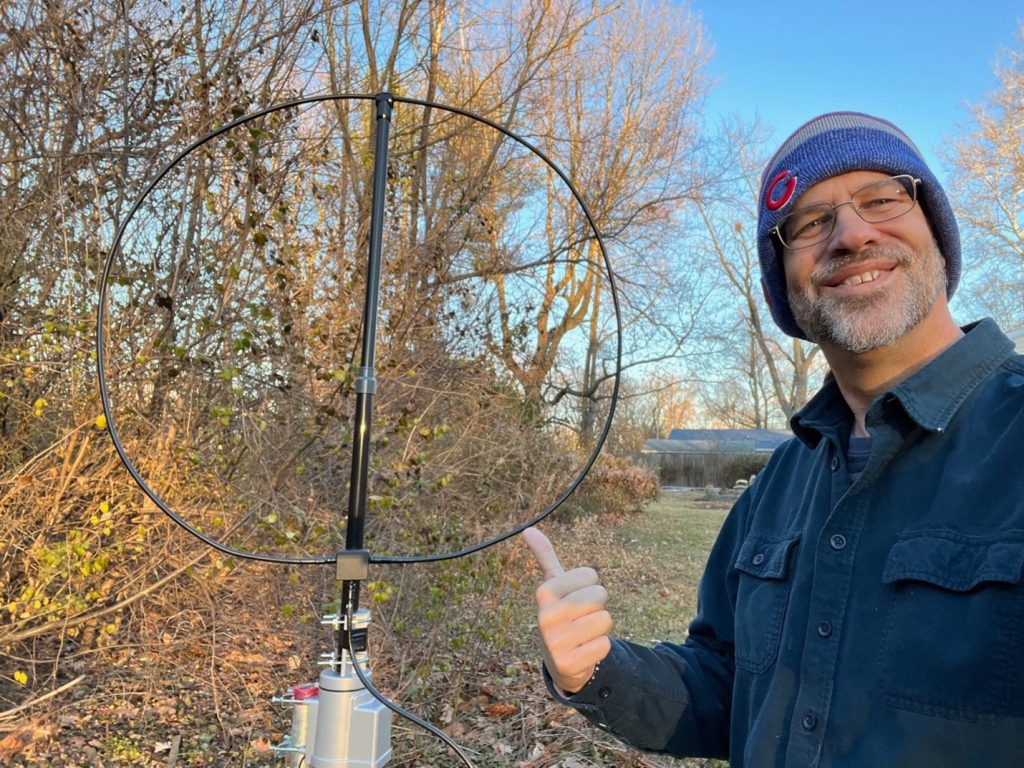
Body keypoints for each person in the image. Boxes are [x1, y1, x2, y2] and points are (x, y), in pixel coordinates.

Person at [522, 111, 1024, 767]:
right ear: (785, 284)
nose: (849, 234)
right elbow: (725, 690)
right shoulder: (778, 486)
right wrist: (595, 670)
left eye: (882, 198)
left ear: (936, 231)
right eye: (810, 224)